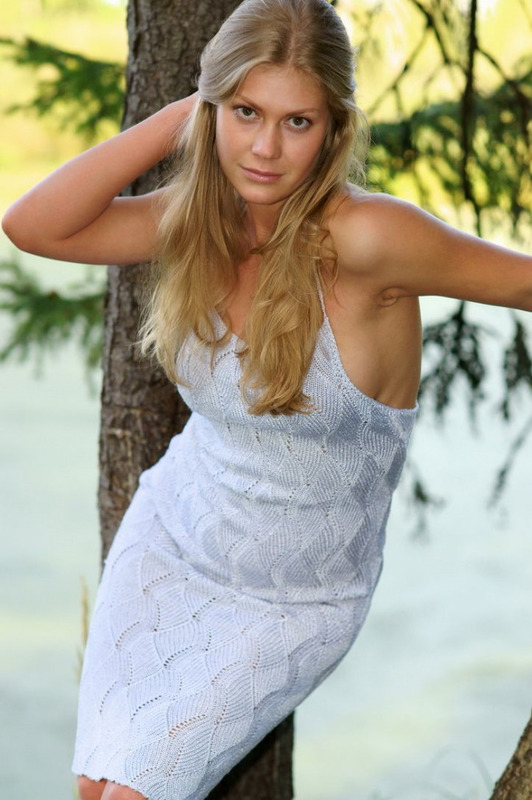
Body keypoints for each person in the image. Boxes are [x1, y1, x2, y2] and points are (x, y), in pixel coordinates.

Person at [2, 0, 531, 798]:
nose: (265, 148)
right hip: (174, 535)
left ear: (334, 129)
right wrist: (190, 115)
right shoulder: (196, 222)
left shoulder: (370, 240)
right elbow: (33, 225)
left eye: (298, 122)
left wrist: (224, 106)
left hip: (298, 599)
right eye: (246, 112)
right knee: (95, 787)